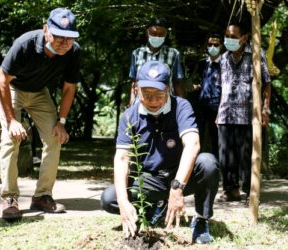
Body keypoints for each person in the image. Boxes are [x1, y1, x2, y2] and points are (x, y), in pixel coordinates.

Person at [101, 61, 219, 244]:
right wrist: (124, 203)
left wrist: (177, 187)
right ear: (136, 89)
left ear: (168, 88)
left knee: (207, 163)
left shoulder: (182, 106)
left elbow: (193, 144)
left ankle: (202, 221)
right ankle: (150, 210)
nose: (153, 100)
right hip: (150, 179)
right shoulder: (128, 116)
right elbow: (122, 159)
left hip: (181, 176)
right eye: (147, 94)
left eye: (159, 93)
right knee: (110, 198)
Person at [0, 8, 81, 220]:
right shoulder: (25, 44)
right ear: (45, 30)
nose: (63, 43)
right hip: (11, 88)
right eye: (58, 36)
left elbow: (69, 88)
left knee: (54, 137)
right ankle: (9, 198)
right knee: (10, 138)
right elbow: (2, 80)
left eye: (69, 38)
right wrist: (12, 120)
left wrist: (61, 122)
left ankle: (42, 196)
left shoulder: (73, 52)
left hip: (39, 92)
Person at [217, 22, 271, 202]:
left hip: (248, 115)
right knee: (226, 156)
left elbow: (267, 84)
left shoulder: (256, 54)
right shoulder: (223, 58)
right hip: (226, 114)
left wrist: (265, 109)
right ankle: (231, 190)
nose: (229, 39)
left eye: (233, 36)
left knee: (247, 155)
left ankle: (250, 191)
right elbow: (222, 87)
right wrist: (218, 112)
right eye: (227, 36)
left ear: (244, 38)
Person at [128, 17, 184, 105]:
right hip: (141, 105)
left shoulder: (173, 54)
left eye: (161, 34)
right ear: (147, 33)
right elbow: (134, 83)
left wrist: (182, 108)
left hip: (166, 106)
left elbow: (176, 83)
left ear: (165, 35)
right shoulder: (137, 53)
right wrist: (131, 108)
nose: (157, 37)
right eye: (153, 33)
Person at [194, 33, 223, 158]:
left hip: (217, 107)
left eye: (215, 45)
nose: (212, 47)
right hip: (202, 105)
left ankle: (217, 167)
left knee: (216, 137)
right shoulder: (203, 63)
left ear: (221, 46)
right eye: (210, 44)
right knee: (197, 135)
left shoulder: (225, 64)